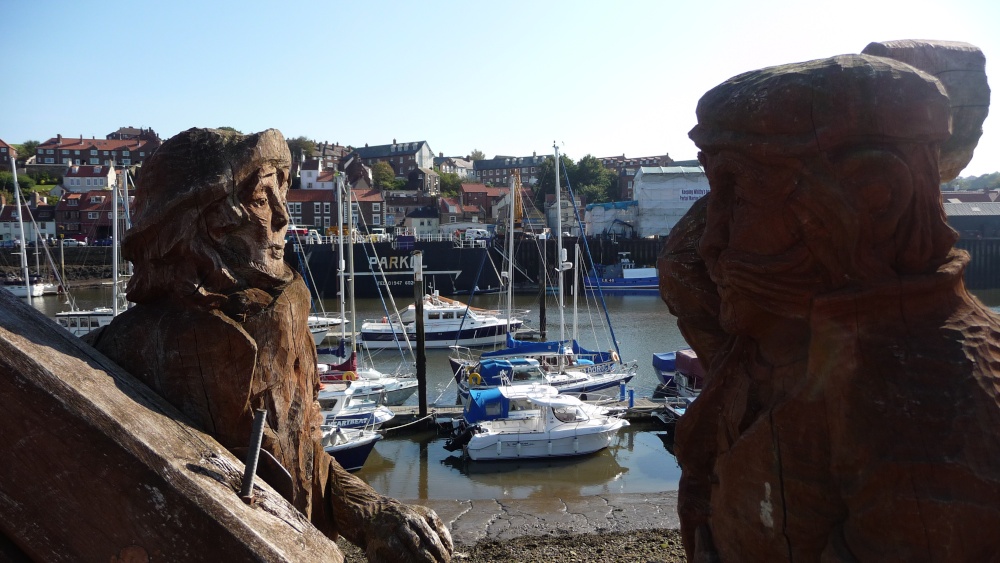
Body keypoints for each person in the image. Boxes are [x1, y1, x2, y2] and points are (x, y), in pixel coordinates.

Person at [663, 41, 1000, 562]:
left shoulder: (926, 414)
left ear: (876, 195)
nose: (712, 237)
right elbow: (683, 268)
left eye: (740, 192)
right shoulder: (771, 338)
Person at [87, 127, 452, 562]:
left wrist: (376, 514)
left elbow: (306, 459)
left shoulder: (284, 311)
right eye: (261, 199)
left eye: (282, 193)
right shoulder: (123, 352)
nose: (283, 216)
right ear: (197, 224)